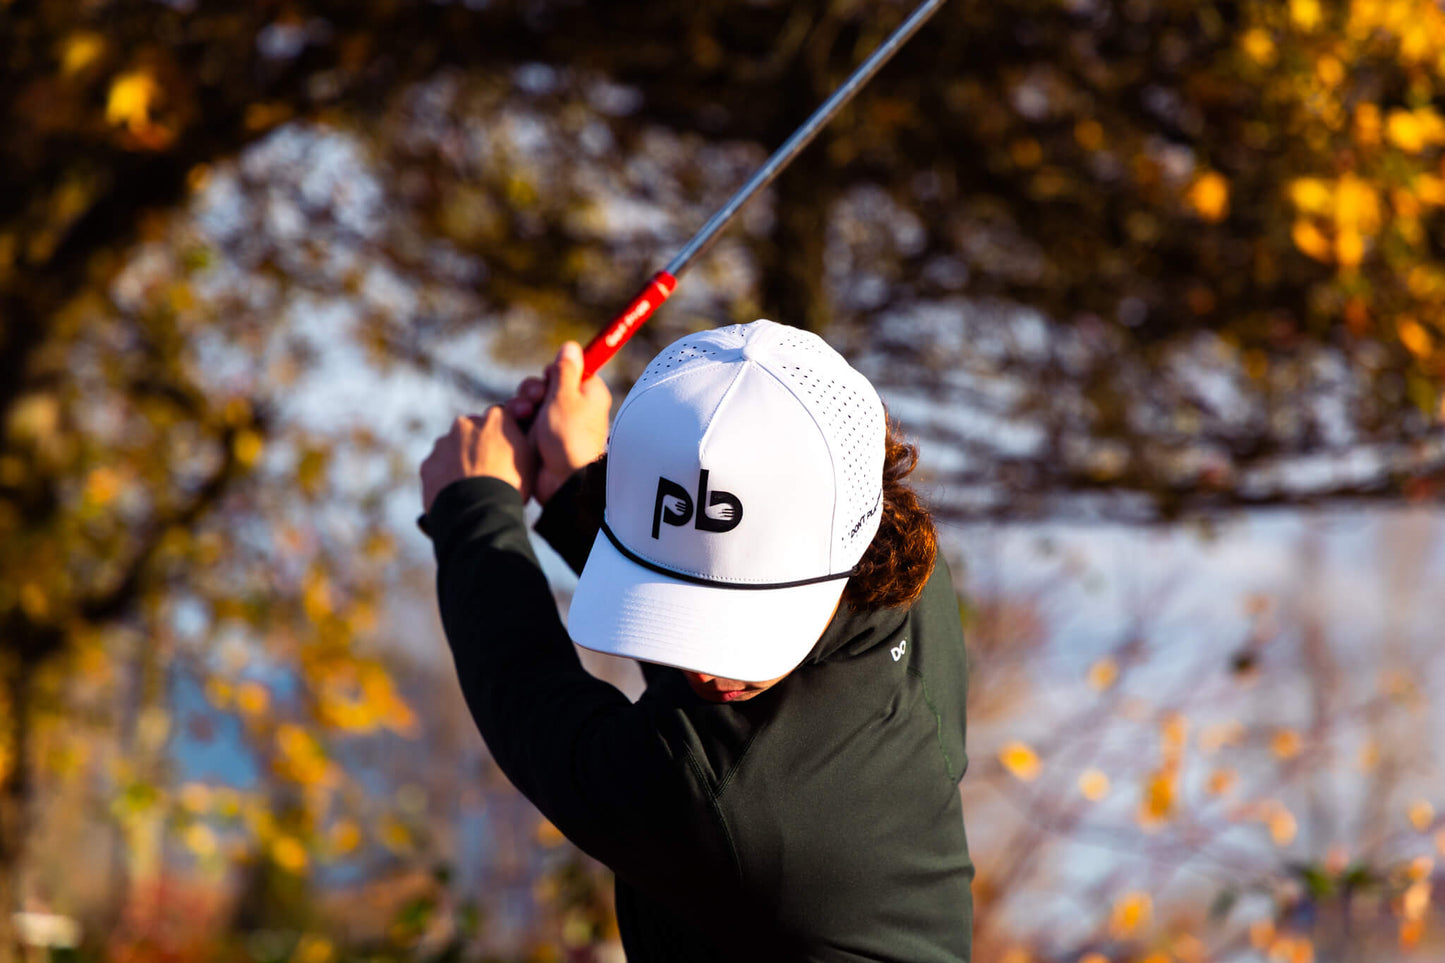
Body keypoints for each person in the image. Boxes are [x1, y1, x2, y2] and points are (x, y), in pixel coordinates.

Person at [420, 320, 973, 961]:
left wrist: (474, 513)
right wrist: (580, 484)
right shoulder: (901, 576)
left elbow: (535, 709)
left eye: (748, 629)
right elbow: (721, 545)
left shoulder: (724, 806)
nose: (704, 671)